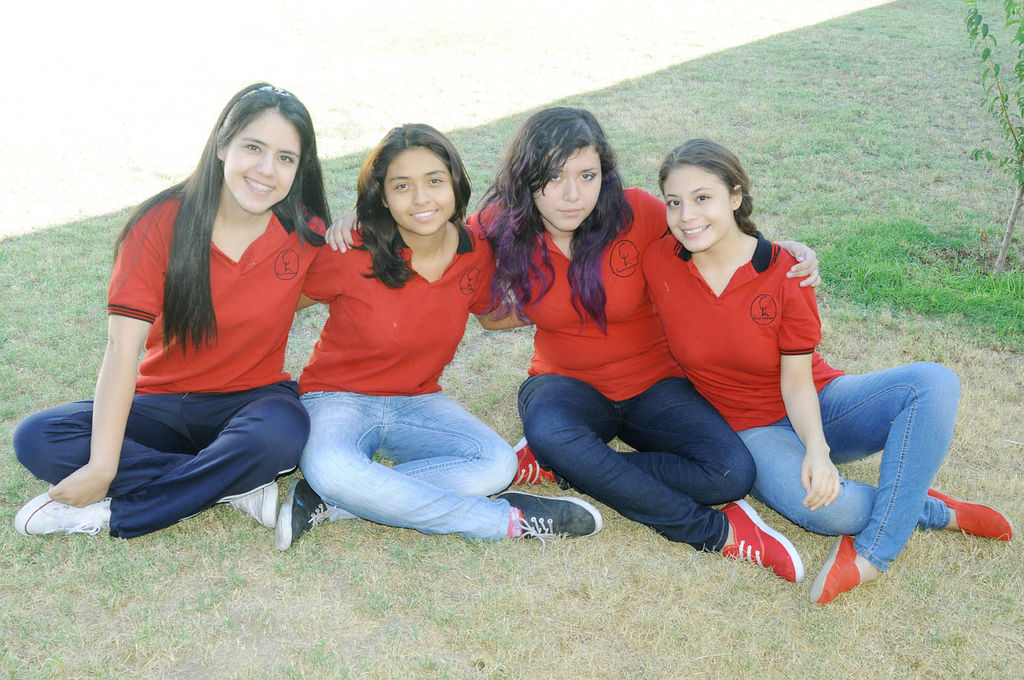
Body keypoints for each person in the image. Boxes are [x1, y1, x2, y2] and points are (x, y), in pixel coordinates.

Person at [642, 138, 1014, 604]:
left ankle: (871, 556)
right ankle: (923, 506)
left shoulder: (786, 272)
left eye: (702, 198)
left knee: (934, 384)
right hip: (751, 430)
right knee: (828, 513)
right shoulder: (658, 261)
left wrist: (818, 451)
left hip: (820, 400)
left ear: (735, 197)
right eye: (674, 202)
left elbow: (797, 381)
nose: (687, 216)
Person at [469, 107, 821, 582]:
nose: (572, 195)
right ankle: (719, 532)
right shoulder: (501, 223)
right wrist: (546, 305)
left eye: (587, 175)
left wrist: (784, 254)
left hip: (657, 384)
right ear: (525, 177)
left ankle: (565, 466)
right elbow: (447, 261)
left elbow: (708, 230)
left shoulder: (635, 212)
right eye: (552, 177)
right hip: (563, 384)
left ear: (604, 173)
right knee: (555, 434)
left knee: (731, 474)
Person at [13, 83, 331, 538]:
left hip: (253, 401)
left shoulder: (306, 231)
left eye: (285, 157)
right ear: (222, 145)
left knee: (283, 432)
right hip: (162, 403)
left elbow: (343, 282)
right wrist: (102, 466)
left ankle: (117, 514)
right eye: (253, 147)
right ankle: (234, 481)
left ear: (299, 167)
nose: (266, 170)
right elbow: (122, 350)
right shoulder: (160, 222)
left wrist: (352, 228)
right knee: (38, 438)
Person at [274, 123, 603, 551]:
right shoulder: (350, 247)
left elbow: (493, 317)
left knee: (497, 465)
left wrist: (581, 303)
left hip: (418, 401)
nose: (421, 199)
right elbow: (280, 304)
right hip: (337, 399)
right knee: (334, 468)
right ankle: (505, 520)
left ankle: (333, 499)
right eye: (401, 186)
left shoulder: (475, 250)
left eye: (434, 181)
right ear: (383, 197)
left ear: (454, 184)